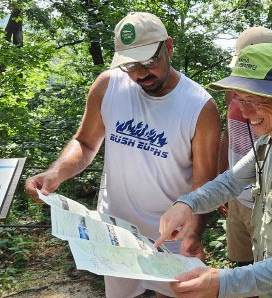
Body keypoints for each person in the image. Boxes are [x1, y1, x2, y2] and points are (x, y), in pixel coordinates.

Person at [25, 12, 221, 298]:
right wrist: (55, 173)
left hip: (172, 236)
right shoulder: (108, 86)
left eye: (148, 61)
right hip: (114, 234)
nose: (140, 73)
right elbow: (86, 143)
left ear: (168, 47)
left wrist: (193, 233)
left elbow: (204, 183)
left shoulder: (199, 105)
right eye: (130, 64)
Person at [155, 43, 272, 298]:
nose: (245, 112)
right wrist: (187, 203)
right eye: (240, 99)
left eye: (254, 100)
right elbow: (229, 183)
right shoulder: (268, 141)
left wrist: (222, 282)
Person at [217, 26, 272, 268]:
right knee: (242, 264)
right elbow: (228, 136)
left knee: (269, 272)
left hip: (270, 204)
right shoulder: (232, 94)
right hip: (237, 196)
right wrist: (222, 179)